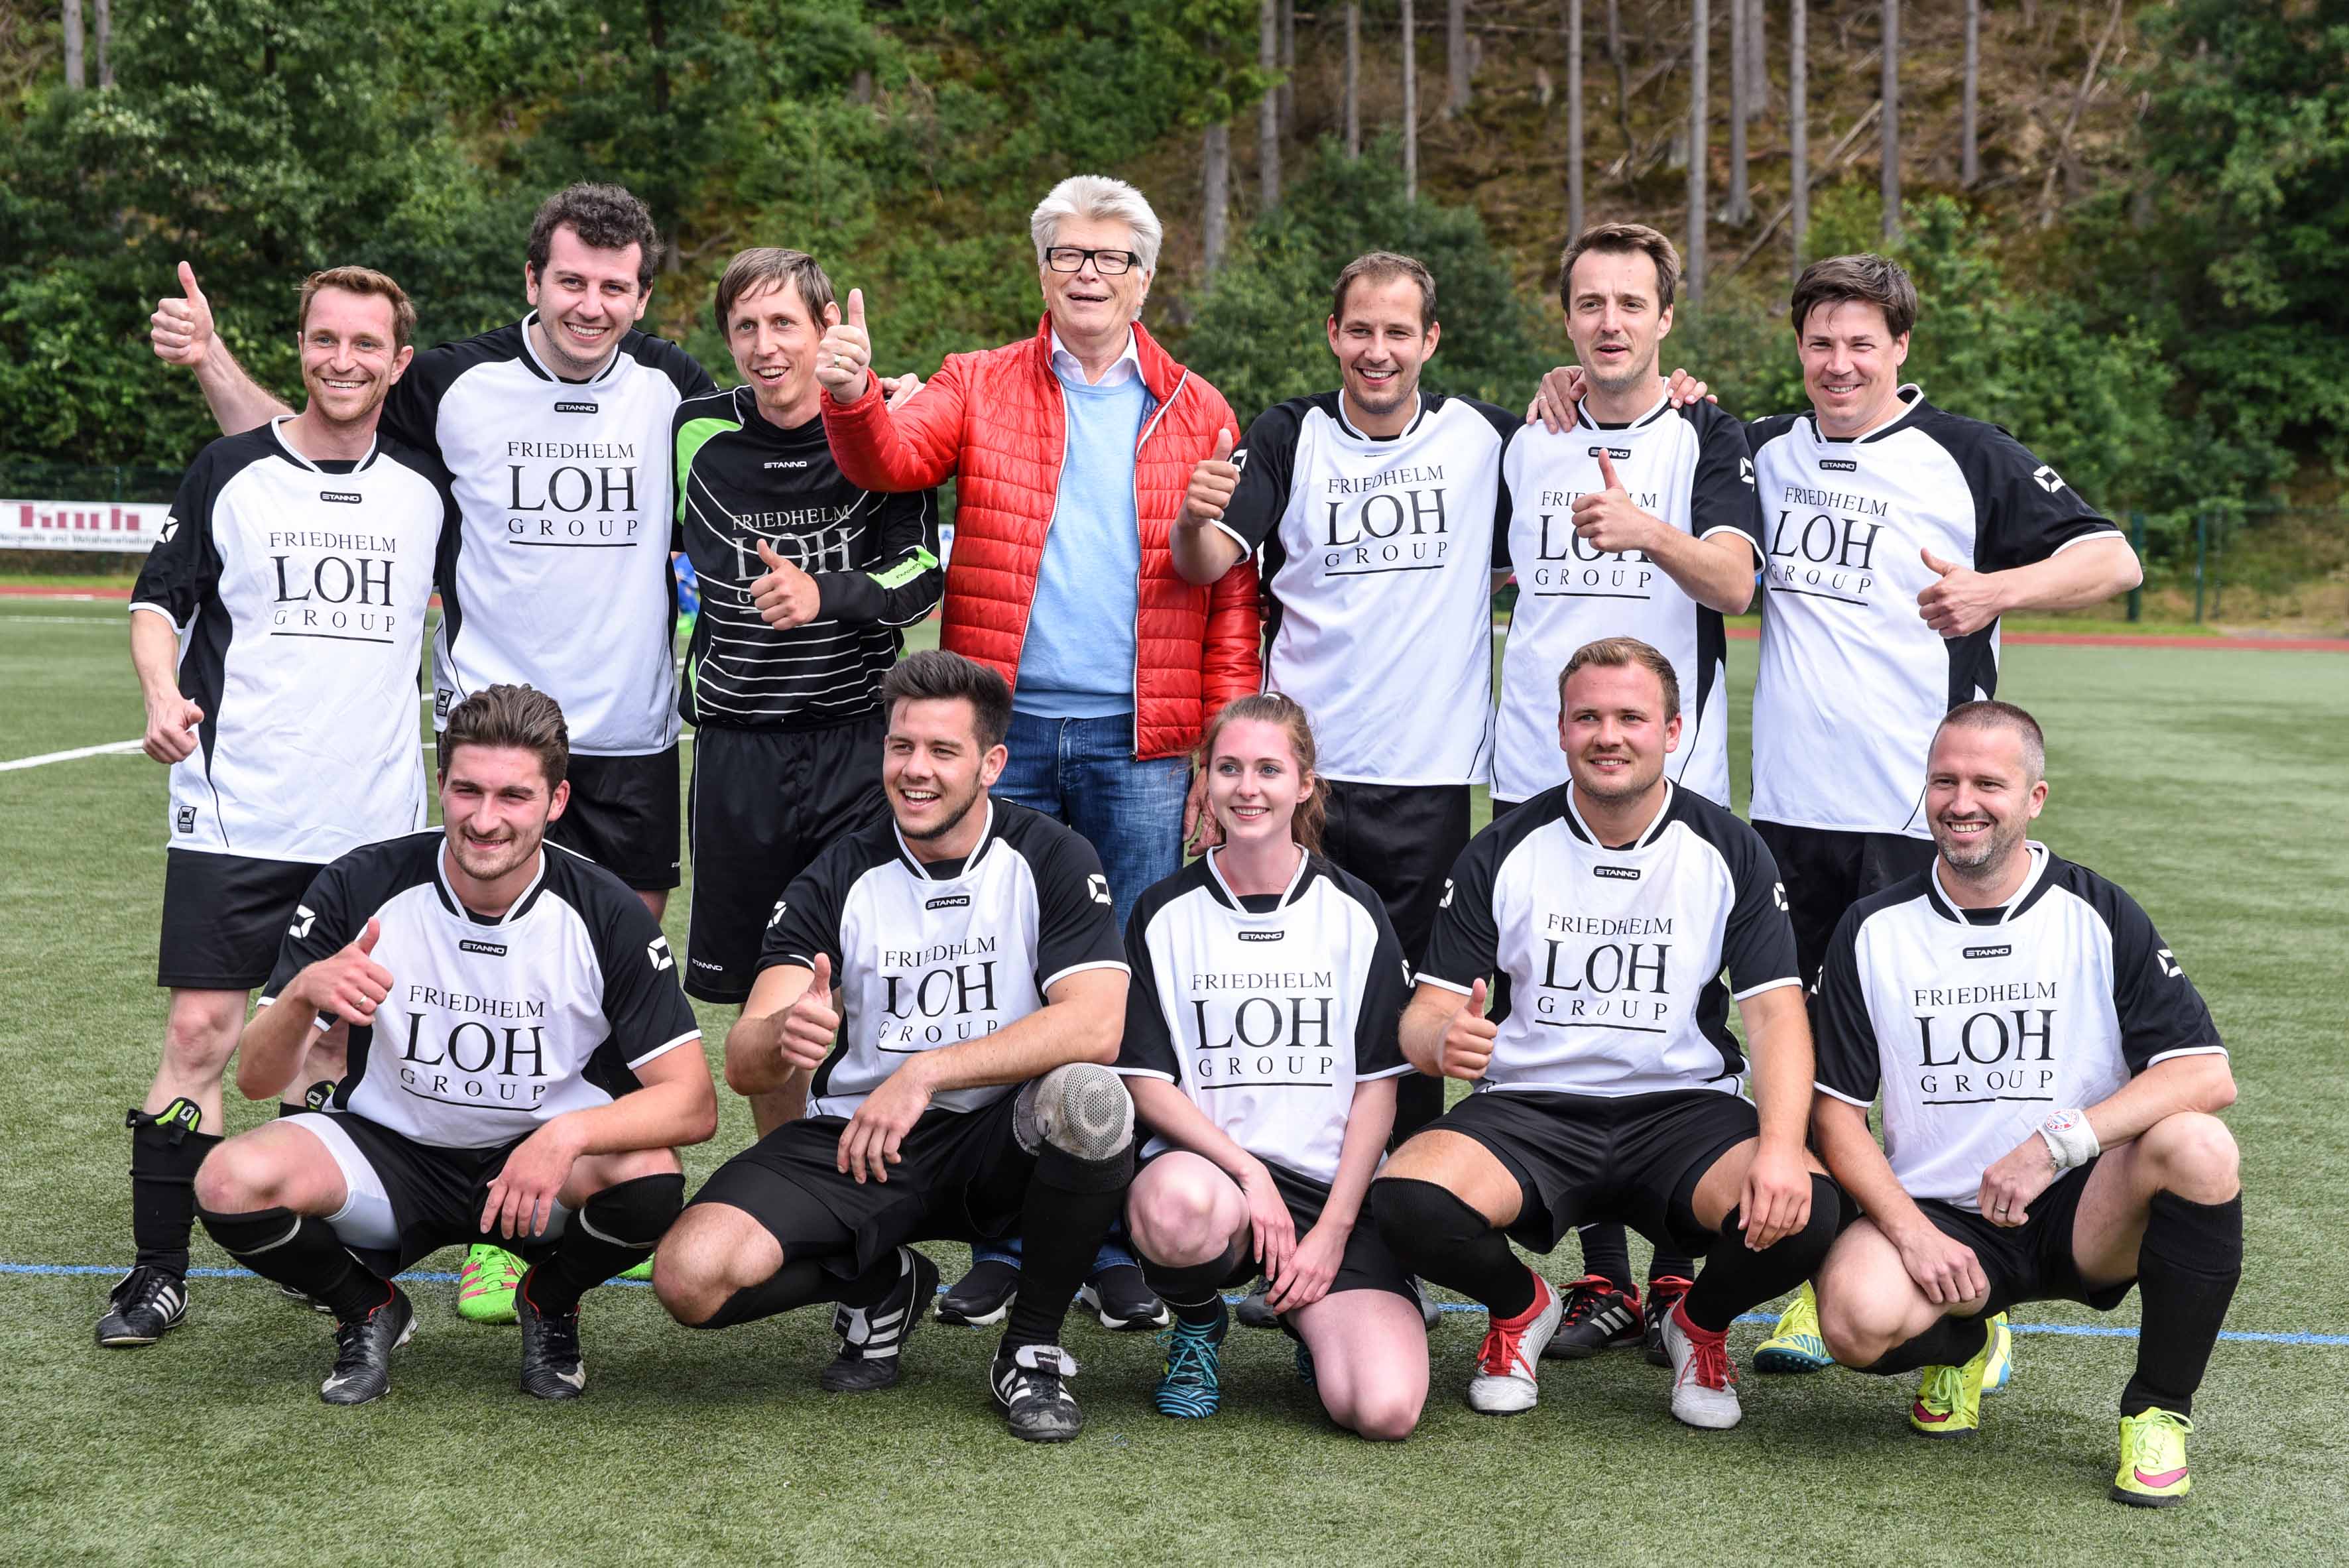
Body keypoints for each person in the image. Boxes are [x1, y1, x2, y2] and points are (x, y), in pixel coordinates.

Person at [1530, 252, 2141, 1377]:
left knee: (1922, 1065)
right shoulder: (1760, 445)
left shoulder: (1964, 453)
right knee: (1809, 1063)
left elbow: (2111, 557)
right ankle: (1827, 1277)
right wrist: (1564, 384)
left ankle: (1973, 1292)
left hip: (1921, 815)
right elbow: (1651, 405)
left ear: (1899, 347)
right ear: (1798, 350)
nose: (1839, 363)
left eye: (1862, 343)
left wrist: (1995, 590)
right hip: (1787, 813)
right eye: (1820, 343)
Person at [152, 184, 715, 1321]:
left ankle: (516, 1228)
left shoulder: (674, 390)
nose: (590, 304)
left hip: (631, 743)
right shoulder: (454, 381)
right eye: (569, 280)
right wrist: (212, 360)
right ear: (532, 280)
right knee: (447, 985)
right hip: (492, 741)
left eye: (613, 287)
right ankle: (388, 1192)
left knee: (598, 1001)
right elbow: (314, 431)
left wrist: (863, 397)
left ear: (643, 297)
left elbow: (781, 433)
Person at [814, 174, 1256, 1327]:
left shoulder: (1198, 407)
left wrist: (1215, 741)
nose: (1088, 273)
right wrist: (851, 396)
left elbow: (1226, 596)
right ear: (1042, 269)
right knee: (1007, 981)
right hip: (1004, 739)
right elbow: (887, 459)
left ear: (1145, 278)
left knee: (1121, 991)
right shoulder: (976, 381)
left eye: (1111, 257)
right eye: (1068, 254)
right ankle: (1008, 1237)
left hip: (1139, 744)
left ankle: (1107, 1237)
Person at [99, 267, 457, 1350]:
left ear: (399, 363)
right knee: (199, 1032)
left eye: (365, 344)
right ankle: (158, 1272)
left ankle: (327, 1266)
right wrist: (160, 695)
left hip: (372, 826)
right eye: (323, 339)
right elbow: (158, 605)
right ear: (298, 345)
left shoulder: (428, 487)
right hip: (235, 811)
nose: (342, 361)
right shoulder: (230, 470)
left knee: (330, 1053)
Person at [650, 651, 1140, 1443]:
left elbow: (1096, 1024)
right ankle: (883, 1282)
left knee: (1091, 1099)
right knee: (689, 1276)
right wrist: (783, 1034)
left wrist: (928, 1070)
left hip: (1002, 1136)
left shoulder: (1050, 855)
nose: (915, 770)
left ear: (991, 764)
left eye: (943, 751)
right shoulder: (839, 872)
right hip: (864, 1139)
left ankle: (1030, 1350)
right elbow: (743, 1060)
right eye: (901, 746)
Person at [190, 685, 717, 1405]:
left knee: (650, 1179)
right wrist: (307, 992)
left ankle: (549, 1300)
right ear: (441, 783)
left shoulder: (607, 912)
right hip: (389, 1149)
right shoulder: (361, 882)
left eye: (514, 796)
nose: (485, 818)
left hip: (537, 1167)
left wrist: (566, 1135)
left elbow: (693, 1104)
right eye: (467, 790)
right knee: (227, 1181)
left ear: (556, 801)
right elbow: (255, 1079)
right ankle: (367, 1308)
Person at [1368, 637, 1839, 1429]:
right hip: (1531, 1107)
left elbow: (1775, 1014)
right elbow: (1426, 1013)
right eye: (1587, 717)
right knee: (1408, 1197)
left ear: (1673, 731)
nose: (1608, 736)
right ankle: (1521, 1307)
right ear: (1560, 729)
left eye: (1631, 717)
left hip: (1683, 1109)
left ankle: (1698, 1326)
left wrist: (1785, 1148)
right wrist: (1439, 1043)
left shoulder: (1727, 848)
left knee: (1807, 1207)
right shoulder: (1503, 847)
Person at [1808, 701, 2240, 1506]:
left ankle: (2158, 1409)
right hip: (1946, 1216)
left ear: (2034, 798)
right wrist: (1911, 1233)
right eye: (1944, 781)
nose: (1961, 802)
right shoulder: (1873, 928)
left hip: (2083, 1207)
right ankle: (1965, 1343)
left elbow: (2207, 1074)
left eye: (1988, 783)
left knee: (2201, 1147)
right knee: (1853, 1320)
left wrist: (2056, 1144)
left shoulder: (2096, 911)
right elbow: (1835, 1114)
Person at [1170, 251, 1516, 1158]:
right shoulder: (1289, 433)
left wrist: (1648, 394)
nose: (1377, 350)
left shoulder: (1484, 439)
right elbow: (1205, 562)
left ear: (1430, 340)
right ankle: (1295, 1175)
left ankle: (1403, 1194)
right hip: (1301, 777)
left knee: (1415, 1001)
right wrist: (1192, 517)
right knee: (1298, 993)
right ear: (1332, 334)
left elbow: (1585, 443)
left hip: (1426, 776)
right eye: (1359, 329)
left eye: (1397, 331)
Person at [1502, 223, 1766, 1361]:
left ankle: (1672, 1272)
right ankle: (1601, 1276)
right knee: (1554, 1006)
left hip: (1672, 783)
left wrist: (1644, 531)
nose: (1608, 322)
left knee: (1673, 1007)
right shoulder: (1525, 436)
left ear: (1665, 318)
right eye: (1588, 303)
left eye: (1629, 303)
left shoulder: (1709, 432)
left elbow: (1735, 582)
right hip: (1534, 771)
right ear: (1564, 319)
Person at [672, 247, 943, 1138]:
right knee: (765, 996)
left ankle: (880, 1163)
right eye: (745, 326)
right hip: (737, 749)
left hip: (854, 745)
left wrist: (824, 593)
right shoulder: (692, 432)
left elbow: (920, 574)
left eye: (784, 322)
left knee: (875, 973)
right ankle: (785, 1170)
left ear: (828, 327)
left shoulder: (880, 427)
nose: (765, 346)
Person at [1116, 694, 1427, 1439]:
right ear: (1204, 780)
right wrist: (1250, 1174)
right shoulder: (1162, 912)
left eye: (1268, 769)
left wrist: (1332, 1232)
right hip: (1215, 1181)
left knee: (1382, 1410)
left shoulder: (1353, 911)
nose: (1246, 788)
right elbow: (1146, 1082)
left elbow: (1377, 1089)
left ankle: (1309, 1316)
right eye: (1227, 768)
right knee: (1173, 1206)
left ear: (1304, 784)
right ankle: (1199, 1322)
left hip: (1329, 1192)